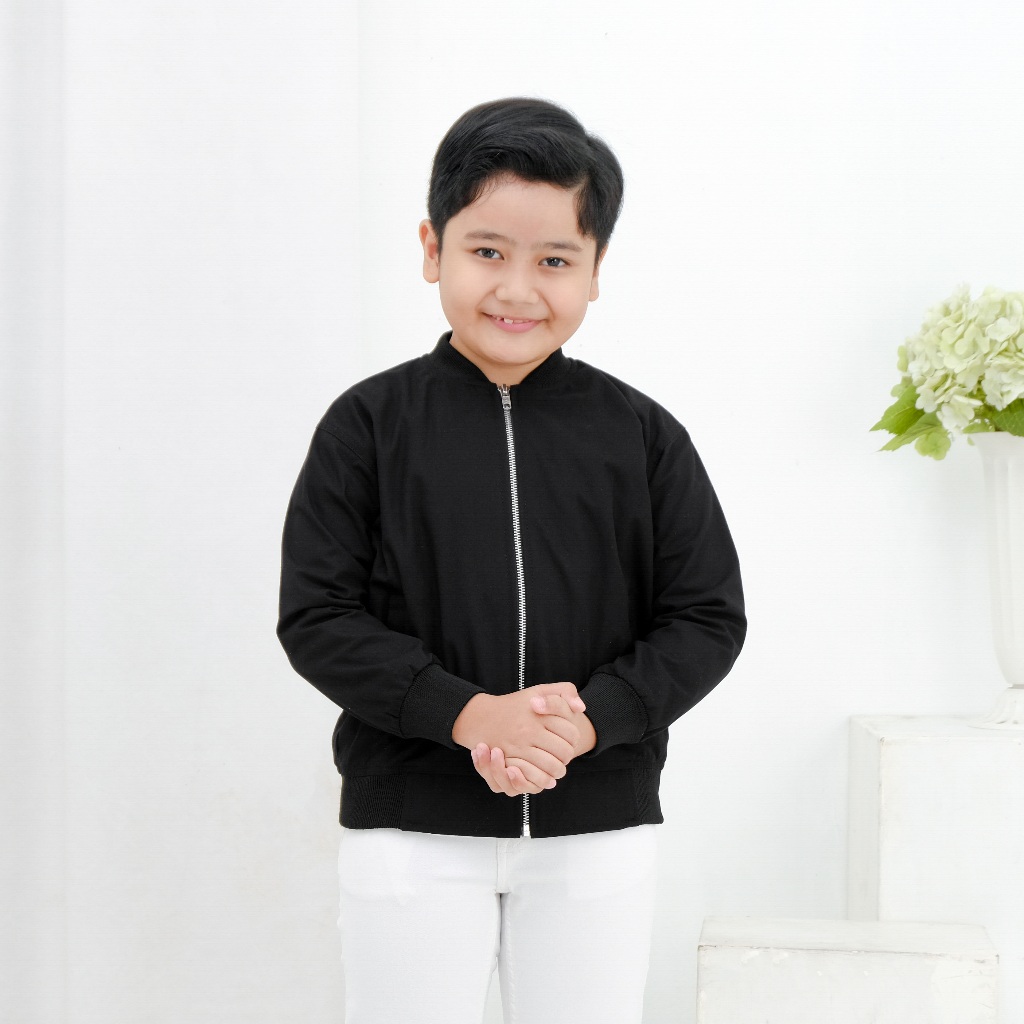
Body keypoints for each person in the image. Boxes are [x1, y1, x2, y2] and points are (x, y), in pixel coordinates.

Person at [277, 97, 745, 1024]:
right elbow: (319, 617)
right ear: (432, 248)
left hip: (596, 824)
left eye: (555, 260)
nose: (518, 290)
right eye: (487, 251)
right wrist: (469, 715)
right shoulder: (367, 426)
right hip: (410, 826)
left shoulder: (643, 435)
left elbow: (705, 617)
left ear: (596, 270)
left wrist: (587, 725)